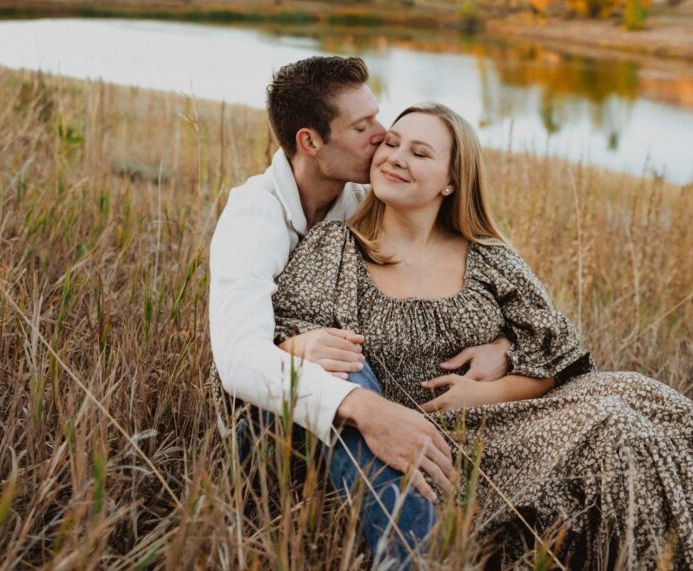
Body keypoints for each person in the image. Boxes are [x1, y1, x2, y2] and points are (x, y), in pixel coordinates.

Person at [271, 102, 693, 568]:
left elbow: (556, 359)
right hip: (441, 446)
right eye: (393, 143)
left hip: (520, 412)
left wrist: (494, 370)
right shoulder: (339, 249)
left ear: (451, 181)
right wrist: (292, 347)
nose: (395, 158)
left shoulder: (486, 254)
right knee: (617, 427)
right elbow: (285, 346)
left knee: (647, 399)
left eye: (420, 152)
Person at [207, 57, 512, 565]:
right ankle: (410, 557)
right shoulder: (253, 216)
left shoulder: (365, 202)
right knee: (342, 362)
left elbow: (458, 274)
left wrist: (503, 347)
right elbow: (238, 359)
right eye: (361, 126)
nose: (382, 135)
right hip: (266, 434)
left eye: (377, 116)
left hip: (349, 411)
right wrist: (365, 408)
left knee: (345, 357)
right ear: (310, 142)